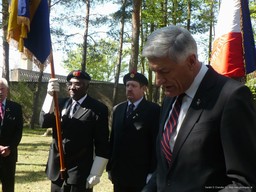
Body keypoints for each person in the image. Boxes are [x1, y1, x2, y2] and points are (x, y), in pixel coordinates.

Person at [141, 25, 256, 192]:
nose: (158, 81)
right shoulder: (170, 99)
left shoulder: (230, 97)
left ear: (191, 61)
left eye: (164, 71)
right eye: (154, 72)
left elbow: (245, 183)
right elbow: (168, 168)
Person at [39, 70, 109, 192]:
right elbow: (44, 122)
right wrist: (49, 95)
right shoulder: (59, 103)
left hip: (79, 171)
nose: (72, 88)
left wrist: (96, 172)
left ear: (87, 86)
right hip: (56, 168)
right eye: (70, 84)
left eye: (78, 84)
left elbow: (102, 143)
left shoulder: (97, 109)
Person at [106, 71, 160, 192]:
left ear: (144, 89)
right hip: (119, 174)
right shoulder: (118, 109)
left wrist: (152, 172)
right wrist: (110, 167)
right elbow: (113, 139)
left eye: (134, 86)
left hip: (141, 175)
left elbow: (155, 143)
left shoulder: (154, 110)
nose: (129, 89)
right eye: (127, 85)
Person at [0, 78, 23, 192]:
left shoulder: (16, 108)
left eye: (2, 89)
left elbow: (18, 132)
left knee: (8, 186)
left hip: (9, 154)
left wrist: (9, 148)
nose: (0, 92)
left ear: (7, 91)